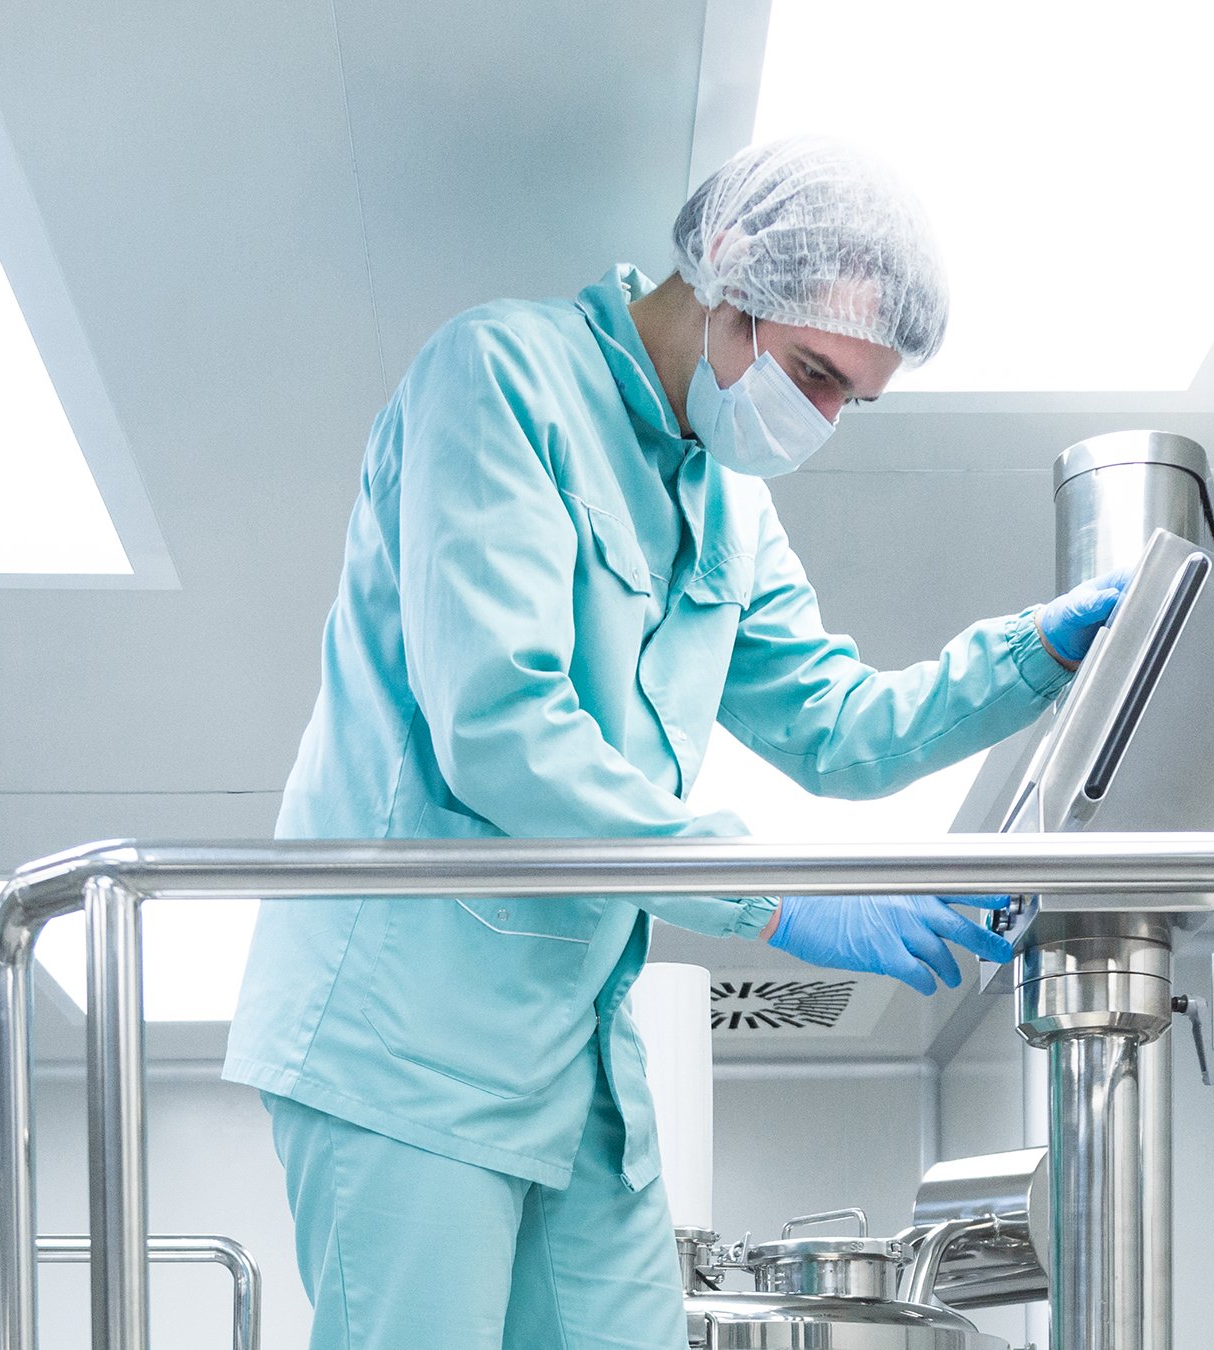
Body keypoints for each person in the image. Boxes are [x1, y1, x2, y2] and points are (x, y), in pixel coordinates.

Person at [220, 136, 1129, 1350]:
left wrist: (1038, 655)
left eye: (848, 399)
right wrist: (777, 901)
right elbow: (502, 732)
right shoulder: (499, 380)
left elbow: (839, 730)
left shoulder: (727, 506)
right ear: (724, 285)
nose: (819, 420)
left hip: (577, 1068)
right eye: (811, 372)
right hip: (407, 1043)